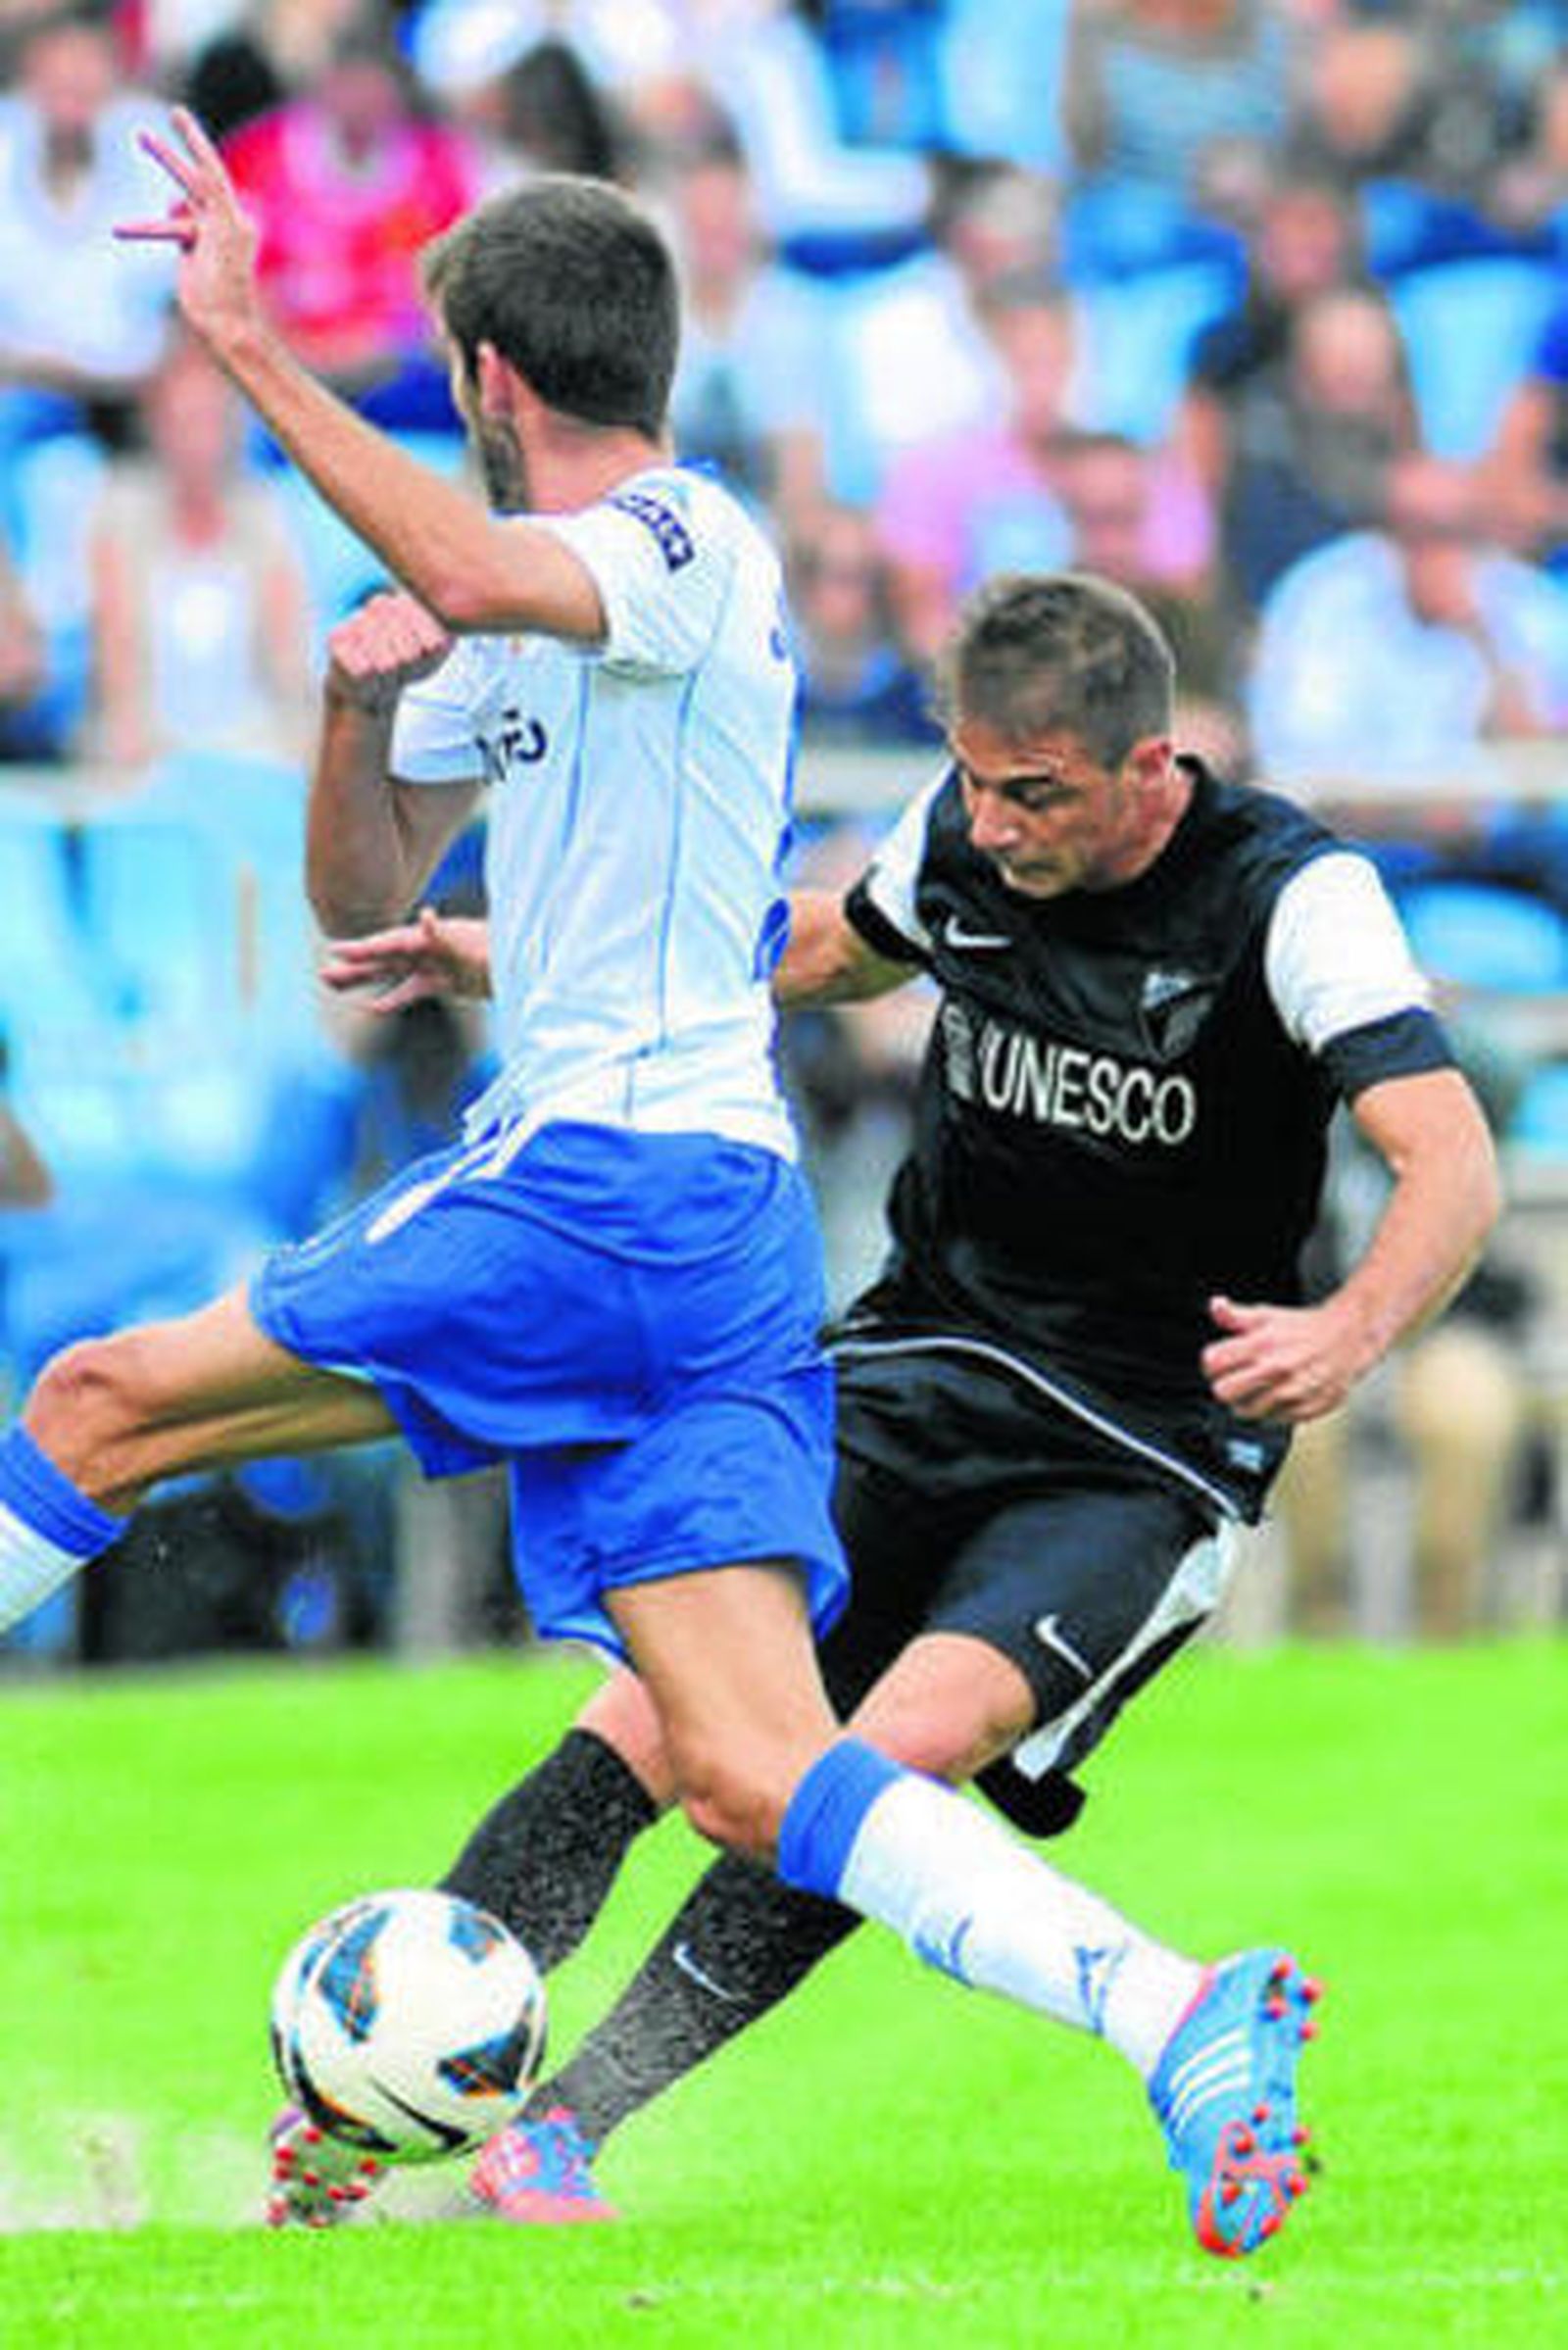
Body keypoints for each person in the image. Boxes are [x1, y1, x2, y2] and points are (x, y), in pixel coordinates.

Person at [0, 114, 1331, 2258]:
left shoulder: (681, 543)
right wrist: (361, 729)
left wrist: (245, 347)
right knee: (746, 1767)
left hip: (594, 1186)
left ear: (487, 381)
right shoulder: (532, 621)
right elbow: (364, 883)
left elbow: (466, 568)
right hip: (703, 1240)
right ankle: (1170, 2008)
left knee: (93, 1401)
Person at [302, 569, 1499, 2235]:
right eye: (978, 780)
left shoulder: (1294, 899)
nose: (995, 826)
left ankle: (559, 2128)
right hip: (917, 1361)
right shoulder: (961, 827)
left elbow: (1448, 1155)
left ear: (1152, 766)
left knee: (882, 1758)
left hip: (1140, 1447)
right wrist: (515, 959)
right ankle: (363, 2106)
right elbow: (813, 953)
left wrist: (1355, 1328)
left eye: (1039, 794)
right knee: (658, 1715)